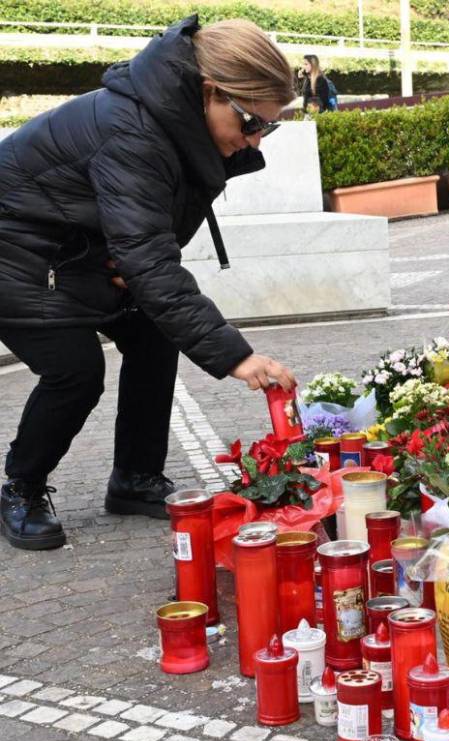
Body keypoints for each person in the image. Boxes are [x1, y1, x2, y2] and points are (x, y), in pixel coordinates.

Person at [0, 17, 297, 551]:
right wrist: (236, 357)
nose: (254, 139)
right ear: (210, 92)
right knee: (75, 370)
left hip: (77, 252)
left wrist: (124, 260)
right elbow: (150, 260)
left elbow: (148, 239)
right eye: (252, 121)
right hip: (17, 254)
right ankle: (20, 486)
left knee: (155, 332)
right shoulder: (133, 130)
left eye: (267, 128)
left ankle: (134, 479)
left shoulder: (177, 125)